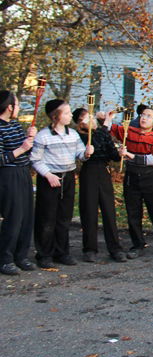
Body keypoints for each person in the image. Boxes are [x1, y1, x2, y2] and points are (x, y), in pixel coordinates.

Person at [30, 99, 94, 268]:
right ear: (55, 116)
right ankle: (44, 254)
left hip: (68, 177)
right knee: (47, 218)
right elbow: (35, 159)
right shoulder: (43, 136)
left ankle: (62, 252)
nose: (69, 115)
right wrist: (48, 175)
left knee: (64, 217)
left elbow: (80, 153)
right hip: (50, 179)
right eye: (65, 113)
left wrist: (87, 153)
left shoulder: (72, 134)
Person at [108, 106, 153, 260]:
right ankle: (137, 245)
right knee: (133, 213)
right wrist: (107, 118)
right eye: (142, 115)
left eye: (149, 116)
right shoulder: (128, 131)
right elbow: (109, 129)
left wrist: (130, 155)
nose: (144, 118)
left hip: (149, 177)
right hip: (131, 177)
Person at [72, 107, 126, 263]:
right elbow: (92, 148)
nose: (92, 120)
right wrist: (106, 124)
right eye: (86, 119)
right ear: (80, 123)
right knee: (89, 210)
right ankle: (89, 248)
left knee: (109, 210)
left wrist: (119, 153)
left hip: (103, 171)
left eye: (91, 117)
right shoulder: (80, 137)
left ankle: (115, 248)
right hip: (89, 171)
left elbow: (111, 153)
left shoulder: (101, 133)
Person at [0, 91, 37, 276]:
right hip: (8, 175)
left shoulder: (15, 125)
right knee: (13, 217)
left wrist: (30, 140)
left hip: (23, 172)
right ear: (9, 107)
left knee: (26, 216)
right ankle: (5, 259)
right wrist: (21, 148)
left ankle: (21, 256)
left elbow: (27, 153)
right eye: (17, 105)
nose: (19, 108)